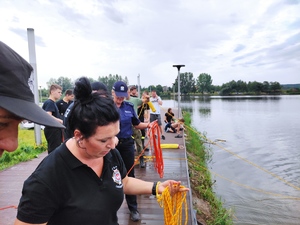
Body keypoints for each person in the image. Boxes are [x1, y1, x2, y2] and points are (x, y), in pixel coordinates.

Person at [14, 77, 188, 225]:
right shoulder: (46, 180)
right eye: (104, 140)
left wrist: (157, 187)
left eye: (115, 135)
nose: (113, 144)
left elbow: (123, 182)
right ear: (79, 136)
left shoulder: (110, 154)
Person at [0, 41, 64, 158]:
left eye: (18, 124)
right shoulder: (50, 103)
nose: (13, 145)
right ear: (52, 91)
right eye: (1, 124)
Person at [112, 81, 150, 222]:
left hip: (127, 144)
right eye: (118, 95)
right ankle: (110, 210)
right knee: (109, 175)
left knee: (129, 174)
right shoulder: (106, 107)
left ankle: (133, 208)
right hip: (111, 145)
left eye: (123, 95)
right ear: (113, 93)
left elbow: (137, 123)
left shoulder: (129, 106)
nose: (121, 98)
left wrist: (149, 125)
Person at [126, 85, 145, 168]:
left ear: (129, 92)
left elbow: (144, 101)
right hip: (124, 125)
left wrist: (147, 97)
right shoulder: (120, 101)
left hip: (134, 124)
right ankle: (127, 160)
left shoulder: (135, 100)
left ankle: (141, 159)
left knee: (139, 142)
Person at [42, 84, 64, 154]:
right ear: (52, 92)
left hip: (53, 130)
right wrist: (60, 120)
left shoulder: (52, 103)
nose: (60, 94)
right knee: (53, 151)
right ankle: (52, 164)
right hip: (52, 130)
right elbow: (48, 115)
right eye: (59, 92)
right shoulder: (50, 103)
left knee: (55, 149)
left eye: (61, 92)